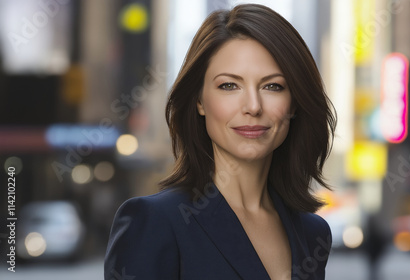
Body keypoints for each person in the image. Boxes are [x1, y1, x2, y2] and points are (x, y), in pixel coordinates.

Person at [104, 4, 336, 280]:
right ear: (200, 100)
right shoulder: (155, 222)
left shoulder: (311, 234)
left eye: (273, 86)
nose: (253, 106)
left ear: (294, 103)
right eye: (229, 85)